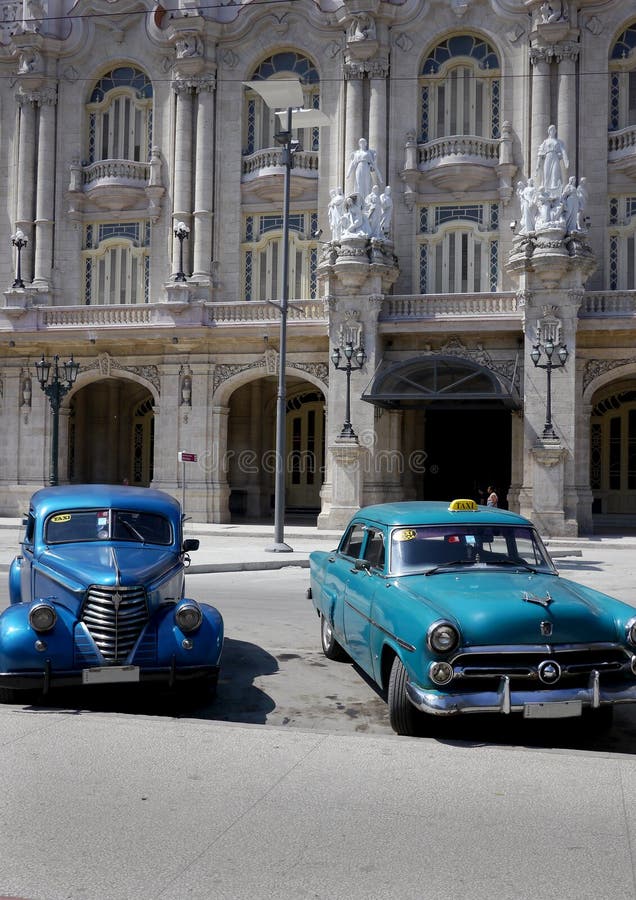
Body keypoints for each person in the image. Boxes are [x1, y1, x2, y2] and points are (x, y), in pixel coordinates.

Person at [535, 125, 569, 197]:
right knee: (546, 175)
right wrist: (537, 165)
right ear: (549, 132)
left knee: (555, 174)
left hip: (555, 158)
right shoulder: (545, 142)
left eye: (554, 130)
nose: (553, 131)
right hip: (548, 158)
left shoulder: (559, 142)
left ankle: (555, 193)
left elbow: (563, 151)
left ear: (555, 131)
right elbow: (540, 153)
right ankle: (546, 193)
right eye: (551, 130)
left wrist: (566, 161)